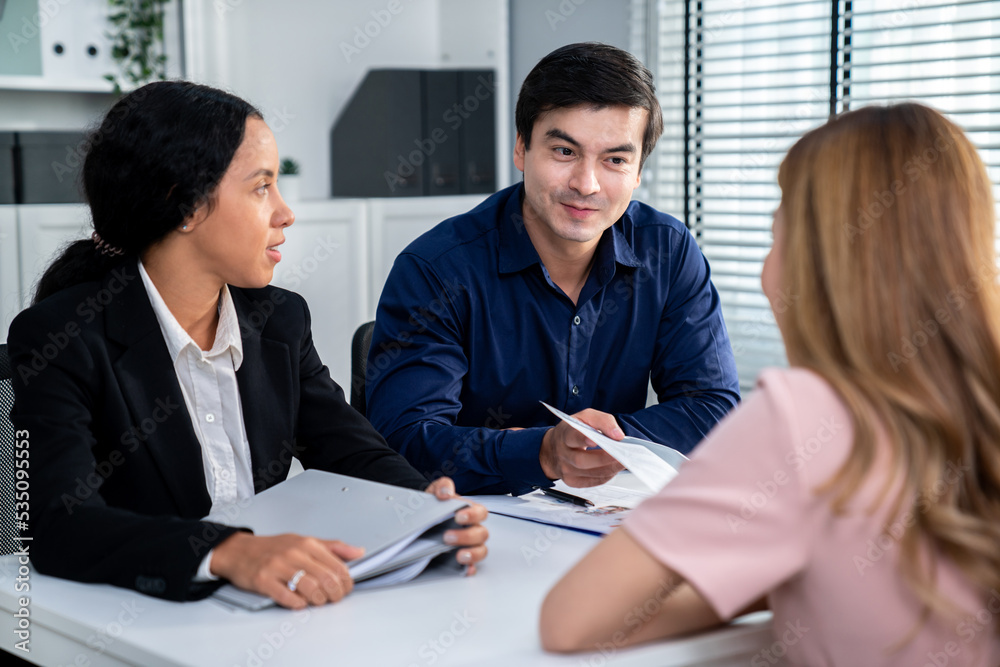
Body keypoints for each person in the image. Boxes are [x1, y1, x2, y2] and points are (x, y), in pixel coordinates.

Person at [539, 103, 1000, 664]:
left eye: (777, 234)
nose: (765, 270)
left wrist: (746, 577)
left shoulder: (805, 416)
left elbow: (569, 620)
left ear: (818, 260)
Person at [7, 81, 487, 609]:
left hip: (269, 613)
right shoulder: (61, 336)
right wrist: (227, 552)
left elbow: (349, 447)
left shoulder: (279, 319)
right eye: (262, 188)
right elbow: (55, 526)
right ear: (183, 205)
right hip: (147, 615)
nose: (286, 213)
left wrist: (423, 504)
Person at [366, 43, 740, 496]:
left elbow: (713, 407)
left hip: (609, 520)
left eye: (615, 160)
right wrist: (543, 453)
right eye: (564, 151)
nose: (586, 184)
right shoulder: (436, 270)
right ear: (522, 149)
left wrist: (599, 444)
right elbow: (404, 442)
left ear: (639, 170)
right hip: (476, 526)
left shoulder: (669, 252)